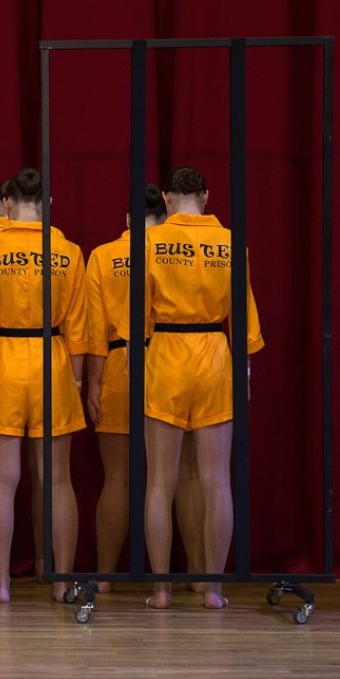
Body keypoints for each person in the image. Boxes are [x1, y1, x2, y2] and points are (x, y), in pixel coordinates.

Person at [143, 166, 263, 611]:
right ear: (206, 196)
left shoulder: (150, 242)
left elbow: (136, 316)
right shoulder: (232, 243)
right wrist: (243, 372)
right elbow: (243, 318)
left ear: (167, 199)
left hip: (168, 353)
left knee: (160, 482)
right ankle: (213, 589)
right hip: (215, 354)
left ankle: (161, 590)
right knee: (216, 482)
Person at [0, 167, 89, 604]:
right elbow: (78, 326)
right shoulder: (68, 251)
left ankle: (1, 584)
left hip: (2, 357)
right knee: (57, 480)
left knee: (1, 478)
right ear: (48, 204)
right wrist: (76, 380)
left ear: (7, 203)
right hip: (52, 357)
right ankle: (61, 581)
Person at [81, 184, 205, 591]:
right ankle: (197, 575)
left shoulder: (103, 256)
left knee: (117, 478)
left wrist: (94, 383)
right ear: (165, 215)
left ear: (128, 219)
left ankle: (105, 575)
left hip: (120, 363)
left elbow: (94, 329)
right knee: (184, 476)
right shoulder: (177, 251)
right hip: (176, 358)